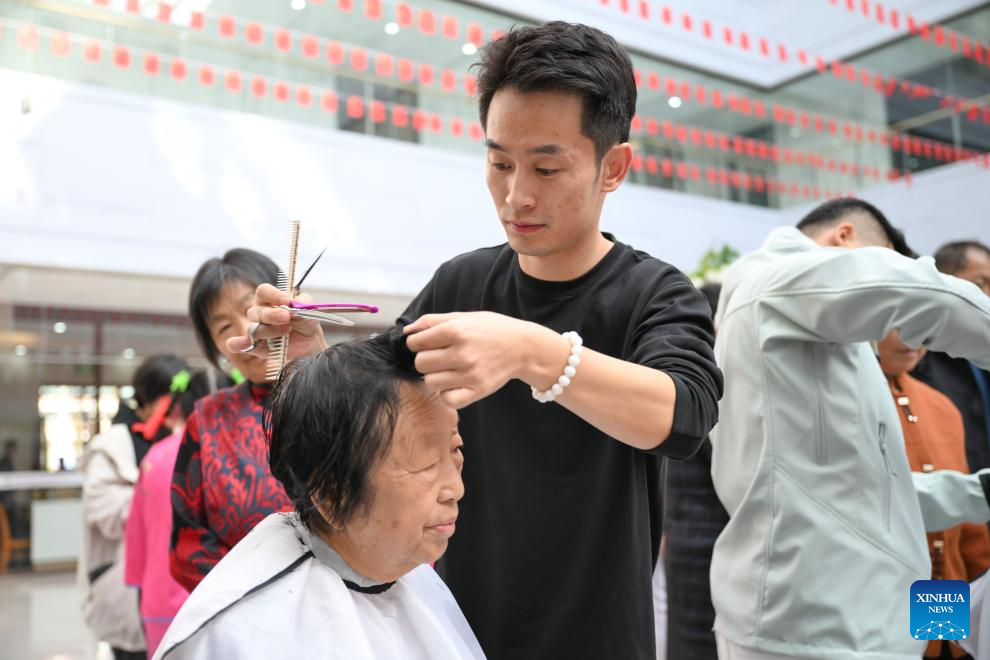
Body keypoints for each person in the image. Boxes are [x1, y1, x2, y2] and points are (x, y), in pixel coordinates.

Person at [237, 22, 722, 659]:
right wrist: (311, 356)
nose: (516, 194)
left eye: (547, 167)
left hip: (598, 639)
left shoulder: (654, 294)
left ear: (614, 167)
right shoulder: (461, 282)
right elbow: (378, 399)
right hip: (455, 630)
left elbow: (684, 415)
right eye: (499, 164)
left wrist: (533, 352)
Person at [709, 197, 990, 660]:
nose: (907, 337)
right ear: (844, 239)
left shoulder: (934, 402)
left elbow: (869, 490)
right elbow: (916, 293)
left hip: (894, 607)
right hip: (836, 619)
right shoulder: (784, 279)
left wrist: (978, 496)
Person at [154, 330, 483, 659]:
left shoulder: (420, 581)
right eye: (425, 462)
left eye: (455, 449)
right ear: (330, 493)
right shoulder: (238, 636)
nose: (456, 488)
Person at [169, 249, 295, 591]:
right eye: (224, 326)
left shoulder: (349, 394)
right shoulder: (208, 419)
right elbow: (187, 547)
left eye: (250, 310)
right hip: (251, 622)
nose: (245, 332)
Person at [877, 328, 990, 660]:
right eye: (896, 326)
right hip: (885, 602)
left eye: (922, 326)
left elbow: (969, 531)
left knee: (942, 653)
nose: (913, 339)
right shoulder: (853, 404)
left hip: (946, 591)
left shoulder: (942, 405)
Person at [79, 354, 189, 660]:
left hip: (175, 586)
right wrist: (153, 499)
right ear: (150, 398)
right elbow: (102, 511)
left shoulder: (183, 437)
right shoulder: (114, 444)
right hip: (125, 583)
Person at [125, 370, 231, 659]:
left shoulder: (155, 457)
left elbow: (136, 531)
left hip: (159, 596)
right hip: (222, 599)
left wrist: (138, 582)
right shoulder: (232, 454)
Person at [663, 283, 729, 660]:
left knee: (940, 644)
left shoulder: (938, 403)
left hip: (935, 566)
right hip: (699, 555)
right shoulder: (710, 385)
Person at [913, 241, 990, 475]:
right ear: (945, 283)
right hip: (959, 495)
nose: (988, 293)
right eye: (980, 283)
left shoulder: (983, 348)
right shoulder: (916, 358)